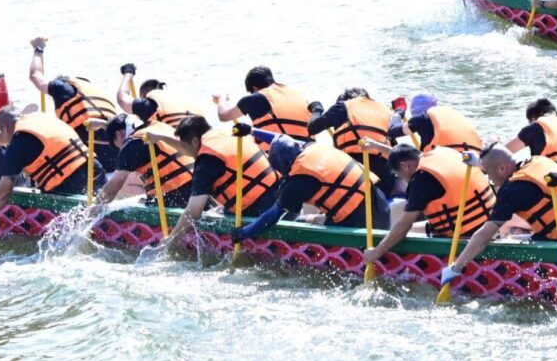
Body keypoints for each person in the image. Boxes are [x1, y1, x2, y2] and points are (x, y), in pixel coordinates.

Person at [438, 146, 557, 285]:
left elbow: (483, 236)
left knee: (509, 239)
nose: (489, 180)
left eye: (488, 174)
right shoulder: (536, 161)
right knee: (517, 233)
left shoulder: (514, 188)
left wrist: (456, 268)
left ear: (502, 168)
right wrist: (480, 164)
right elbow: (496, 161)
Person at [228, 128, 391, 239]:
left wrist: (243, 233)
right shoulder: (314, 148)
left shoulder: (299, 179)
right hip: (382, 205)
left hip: (362, 222)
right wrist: (251, 131)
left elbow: (272, 217)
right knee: (310, 218)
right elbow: (281, 140)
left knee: (300, 222)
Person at [361, 145, 496, 267]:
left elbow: (404, 226)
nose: (402, 179)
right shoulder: (441, 153)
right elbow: (402, 154)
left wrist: (376, 253)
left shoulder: (422, 179)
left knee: (399, 231)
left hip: (464, 237)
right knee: (401, 230)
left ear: (404, 166)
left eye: (399, 175)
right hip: (491, 225)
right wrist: (375, 145)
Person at [0, 106, 94, 232]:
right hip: (94, 170)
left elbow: (4, 192)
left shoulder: (17, 147)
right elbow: (4, 137)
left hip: (72, 184)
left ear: (5, 128)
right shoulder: (38, 118)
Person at [165, 116, 278, 248]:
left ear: (195, 142)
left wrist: (170, 241)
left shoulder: (207, 160)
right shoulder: (226, 135)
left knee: (205, 213)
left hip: (261, 211)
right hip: (283, 198)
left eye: (184, 147)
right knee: (217, 210)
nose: (185, 152)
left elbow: (194, 212)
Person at [26, 38, 122, 172]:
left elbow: (36, 77)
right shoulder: (97, 93)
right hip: (118, 158)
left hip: (95, 159)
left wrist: (38, 49)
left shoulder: (63, 87)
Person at [214, 67, 317, 139]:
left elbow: (223, 116)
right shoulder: (295, 93)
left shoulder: (257, 98)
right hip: (310, 149)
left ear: (254, 88)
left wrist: (221, 98)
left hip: (285, 156)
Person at [404, 94, 485, 155]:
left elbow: (394, 131)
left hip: (445, 164)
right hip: (472, 160)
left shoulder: (422, 119)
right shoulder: (454, 117)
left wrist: (399, 110)